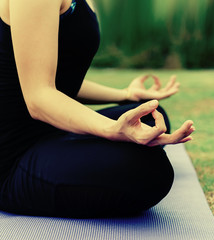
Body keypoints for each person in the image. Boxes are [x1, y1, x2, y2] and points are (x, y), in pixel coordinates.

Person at [0, 0, 194, 217]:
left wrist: (126, 95)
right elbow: (39, 96)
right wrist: (112, 129)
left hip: (54, 130)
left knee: (152, 117)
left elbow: (60, 80)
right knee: (152, 171)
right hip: (13, 156)